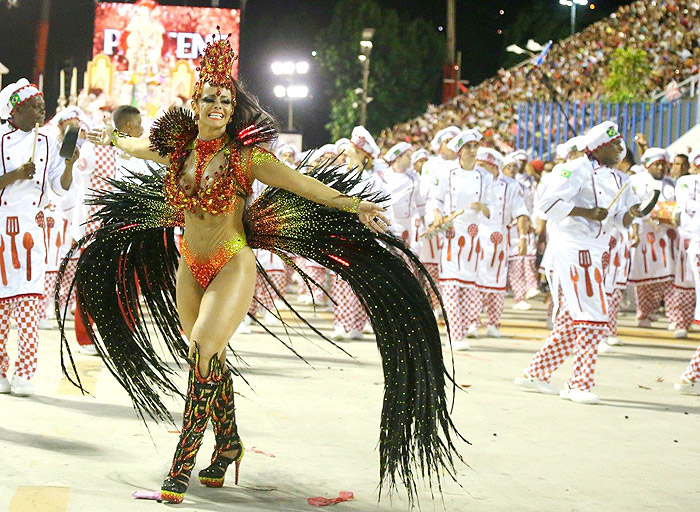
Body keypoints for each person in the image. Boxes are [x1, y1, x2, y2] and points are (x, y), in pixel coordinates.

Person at [76, 36, 461, 504]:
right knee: (209, 359)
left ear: (232, 107)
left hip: (231, 262)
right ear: (195, 103)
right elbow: (138, 147)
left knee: (200, 350)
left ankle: (182, 465)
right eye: (209, 98)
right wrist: (110, 137)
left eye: (225, 100)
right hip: (189, 264)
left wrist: (355, 205)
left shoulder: (247, 158)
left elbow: (305, 185)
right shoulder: (178, 151)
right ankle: (230, 443)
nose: (217, 106)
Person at [515, 121, 640, 404]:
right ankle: (578, 383)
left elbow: (621, 219)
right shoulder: (573, 169)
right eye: (615, 145)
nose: (622, 150)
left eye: (621, 144)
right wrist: (586, 212)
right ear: (599, 147)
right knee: (594, 316)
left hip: (599, 250)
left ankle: (535, 373)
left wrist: (634, 212)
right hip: (575, 248)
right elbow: (547, 204)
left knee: (573, 319)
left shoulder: (620, 179)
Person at [0, 79, 77, 396]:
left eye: (42, 105)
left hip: (32, 230)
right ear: (16, 110)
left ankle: (25, 373)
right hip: (3, 230)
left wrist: (69, 164)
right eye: (34, 105)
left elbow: (60, 187)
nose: (41, 109)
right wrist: (17, 174)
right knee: (2, 307)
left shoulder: (47, 142)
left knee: (30, 303)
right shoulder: (1, 142)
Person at [425, 128, 492, 350]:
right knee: (451, 286)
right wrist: (437, 215)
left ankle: (463, 330)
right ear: (460, 151)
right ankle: (454, 336)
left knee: (468, 287)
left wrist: (483, 207)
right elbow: (435, 199)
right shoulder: (448, 173)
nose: (473, 151)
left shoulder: (485, 176)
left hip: (474, 236)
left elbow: (491, 210)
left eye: (475, 147)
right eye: (468, 148)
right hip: (453, 232)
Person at [470, 148, 529, 338]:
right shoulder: (474, 183)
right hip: (476, 235)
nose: (478, 169)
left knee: (497, 280)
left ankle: (493, 323)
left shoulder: (511, 186)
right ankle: (472, 322)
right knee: (475, 279)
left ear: (493, 166)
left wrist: (522, 237)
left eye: (482, 165)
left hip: (499, 236)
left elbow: (521, 212)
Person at [628, 148, 676, 327]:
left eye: (663, 164)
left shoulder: (671, 184)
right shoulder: (636, 181)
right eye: (657, 164)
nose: (661, 168)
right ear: (648, 166)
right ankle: (644, 314)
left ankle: (674, 317)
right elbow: (633, 208)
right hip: (644, 235)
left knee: (669, 278)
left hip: (666, 236)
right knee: (644, 278)